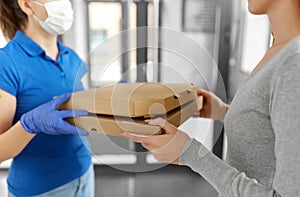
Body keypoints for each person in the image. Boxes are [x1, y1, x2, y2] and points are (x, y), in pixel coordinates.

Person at [121, 0, 300, 196]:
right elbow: (273, 133)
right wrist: (224, 111)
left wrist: (190, 153)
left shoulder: (294, 61)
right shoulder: (280, 49)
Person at [0, 0, 94, 196]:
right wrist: (30, 124)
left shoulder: (71, 57)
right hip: (41, 189)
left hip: (84, 174)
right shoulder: (6, 62)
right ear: (27, 5)